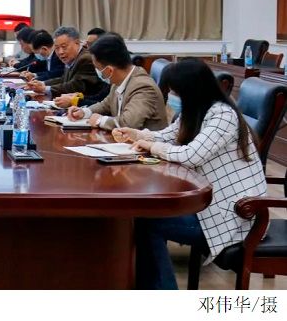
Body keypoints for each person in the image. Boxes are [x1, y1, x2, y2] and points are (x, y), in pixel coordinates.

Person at [113, 59, 267, 289]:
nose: (173, 97)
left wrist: (151, 146)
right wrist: (136, 134)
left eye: (176, 91)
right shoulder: (197, 110)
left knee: (148, 222)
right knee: (142, 217)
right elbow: (167, 136)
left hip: (232, 216)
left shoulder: (223, 115)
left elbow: (191, 155)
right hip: (210, 207)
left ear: (192, 89)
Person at [66, 33, 167, 130]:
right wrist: (84, 112)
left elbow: (128, 123)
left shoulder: (143, 87)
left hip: (142, 141)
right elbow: (106, 105)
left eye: (98, 68)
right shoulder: (118, 80)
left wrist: (100, 120)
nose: (97, 72)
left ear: (109, 70)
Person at [26, 26, 104, 98]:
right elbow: (64, 79)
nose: (60, 52)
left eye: (64, 47)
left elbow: (76, 86)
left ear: (77, 43)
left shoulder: (86, 58)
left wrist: (45, 88)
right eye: (57, 48)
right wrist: (43, 83)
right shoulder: (72, 58)